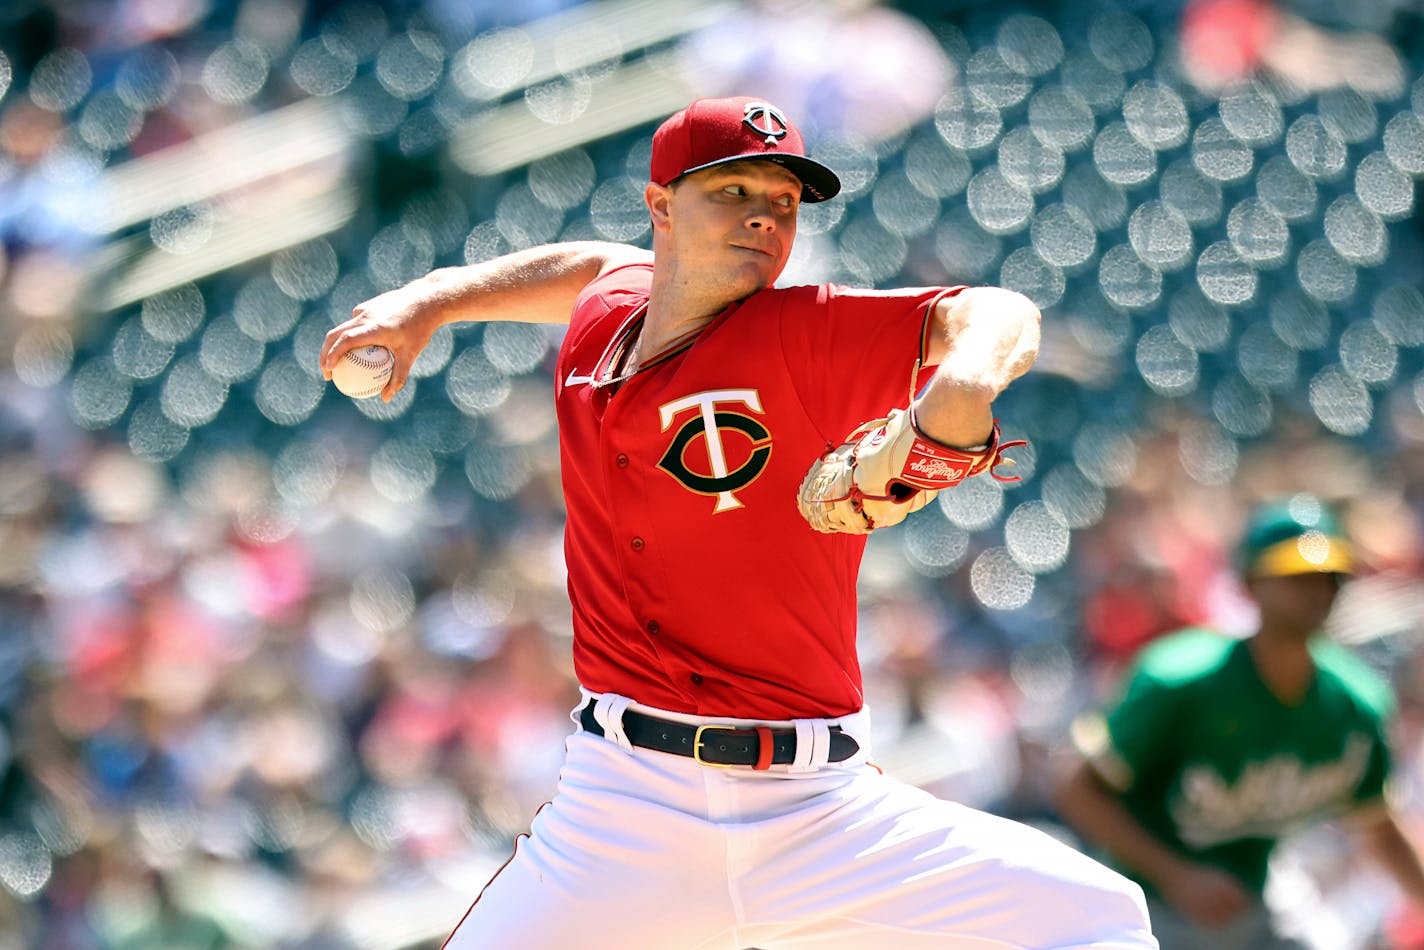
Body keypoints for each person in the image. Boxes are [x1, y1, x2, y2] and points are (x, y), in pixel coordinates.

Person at [322, 95, 1154, 949]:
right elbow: (585, 266)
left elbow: (998, 314)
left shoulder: (802, 333)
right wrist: (431, 301)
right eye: (734, 192)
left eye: (784, 203)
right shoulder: (607, 316)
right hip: (625, 807)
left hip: (818, 813)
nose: (764, 217)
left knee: (1099, 919)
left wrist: (963, 387)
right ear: (661, 209)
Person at [1053, 495, 1424, 949]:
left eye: (1329, 576)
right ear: (1249, 583)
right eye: (1296, 576)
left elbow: (1379, 829)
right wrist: (1177, 876)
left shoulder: (1356, 704)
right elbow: (1076, 789)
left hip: (1257, 891)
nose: (1316, 590)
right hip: (1147, 901)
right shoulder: (1180, 682)